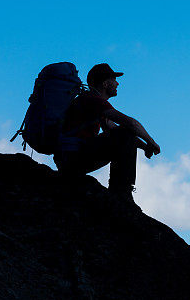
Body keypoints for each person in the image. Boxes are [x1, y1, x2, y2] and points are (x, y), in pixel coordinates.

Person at [54, 63, 161, 202]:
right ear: (105, 83)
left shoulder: (90, 102)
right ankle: (122, 191)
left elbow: (115, 131)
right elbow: (130, 124)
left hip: (69, 158)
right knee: (125, 131)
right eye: (114, 80)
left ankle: (121, 190)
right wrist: (151, 141)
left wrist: (145, 147)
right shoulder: (92, 100)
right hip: (73, 157)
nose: (117, 84)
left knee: (123, 133)